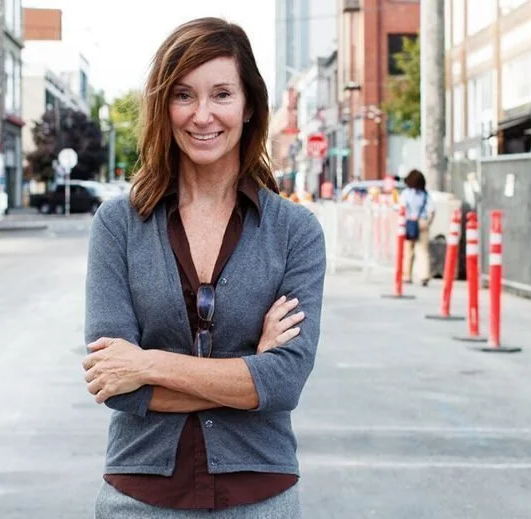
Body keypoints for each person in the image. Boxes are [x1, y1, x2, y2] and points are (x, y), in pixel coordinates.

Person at [81, 17, 326, 518]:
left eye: (221, 94)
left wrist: (147, 364)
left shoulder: (295, 231)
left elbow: (283, 384)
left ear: (249, 105)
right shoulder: (118, 224)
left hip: (259, 495)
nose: (202, 115)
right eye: (184, 95)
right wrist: (246, 374)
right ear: (163, 107)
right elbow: (115, 387)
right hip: (140, 496)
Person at [401, 169, 435, 286]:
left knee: (408, 250)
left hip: (409, 222)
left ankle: (407, 275)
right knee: (423, 251)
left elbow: (402, 207)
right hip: (422, 222)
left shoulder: (406, 193)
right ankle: (424, 275)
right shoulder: (425, 194)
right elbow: (432, 209)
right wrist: (427, 222)